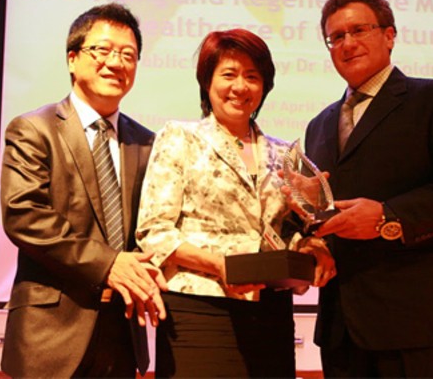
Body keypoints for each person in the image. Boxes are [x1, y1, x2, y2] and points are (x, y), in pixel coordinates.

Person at [302, 0, 433, 378]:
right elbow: (329, 213)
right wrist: (307, 222)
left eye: (359, 30)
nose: (348, 43)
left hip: (418, 325)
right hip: (342, 330)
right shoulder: (319, 124)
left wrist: (387, 217)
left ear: (389, 35)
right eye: (336, 37)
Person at [135, 28, 336, 378]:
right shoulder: (180, 138)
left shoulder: (284, 153)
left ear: (264, 86)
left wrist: (313, 245)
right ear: (207, 81)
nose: (240, 86)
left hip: (270, 312)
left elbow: (289, 231)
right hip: (199, 308)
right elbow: (155, 232)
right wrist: (220, 265)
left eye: (252, 77)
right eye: (228, 74)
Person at [0, 2, 168, 378]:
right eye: (102, 51)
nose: (116, 62)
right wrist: (108, 264)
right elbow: (24, 215)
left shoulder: (147, 142)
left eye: (128, 54)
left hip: (122, 329)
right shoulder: (33, 129)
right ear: (72, 59)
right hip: (50, 334)